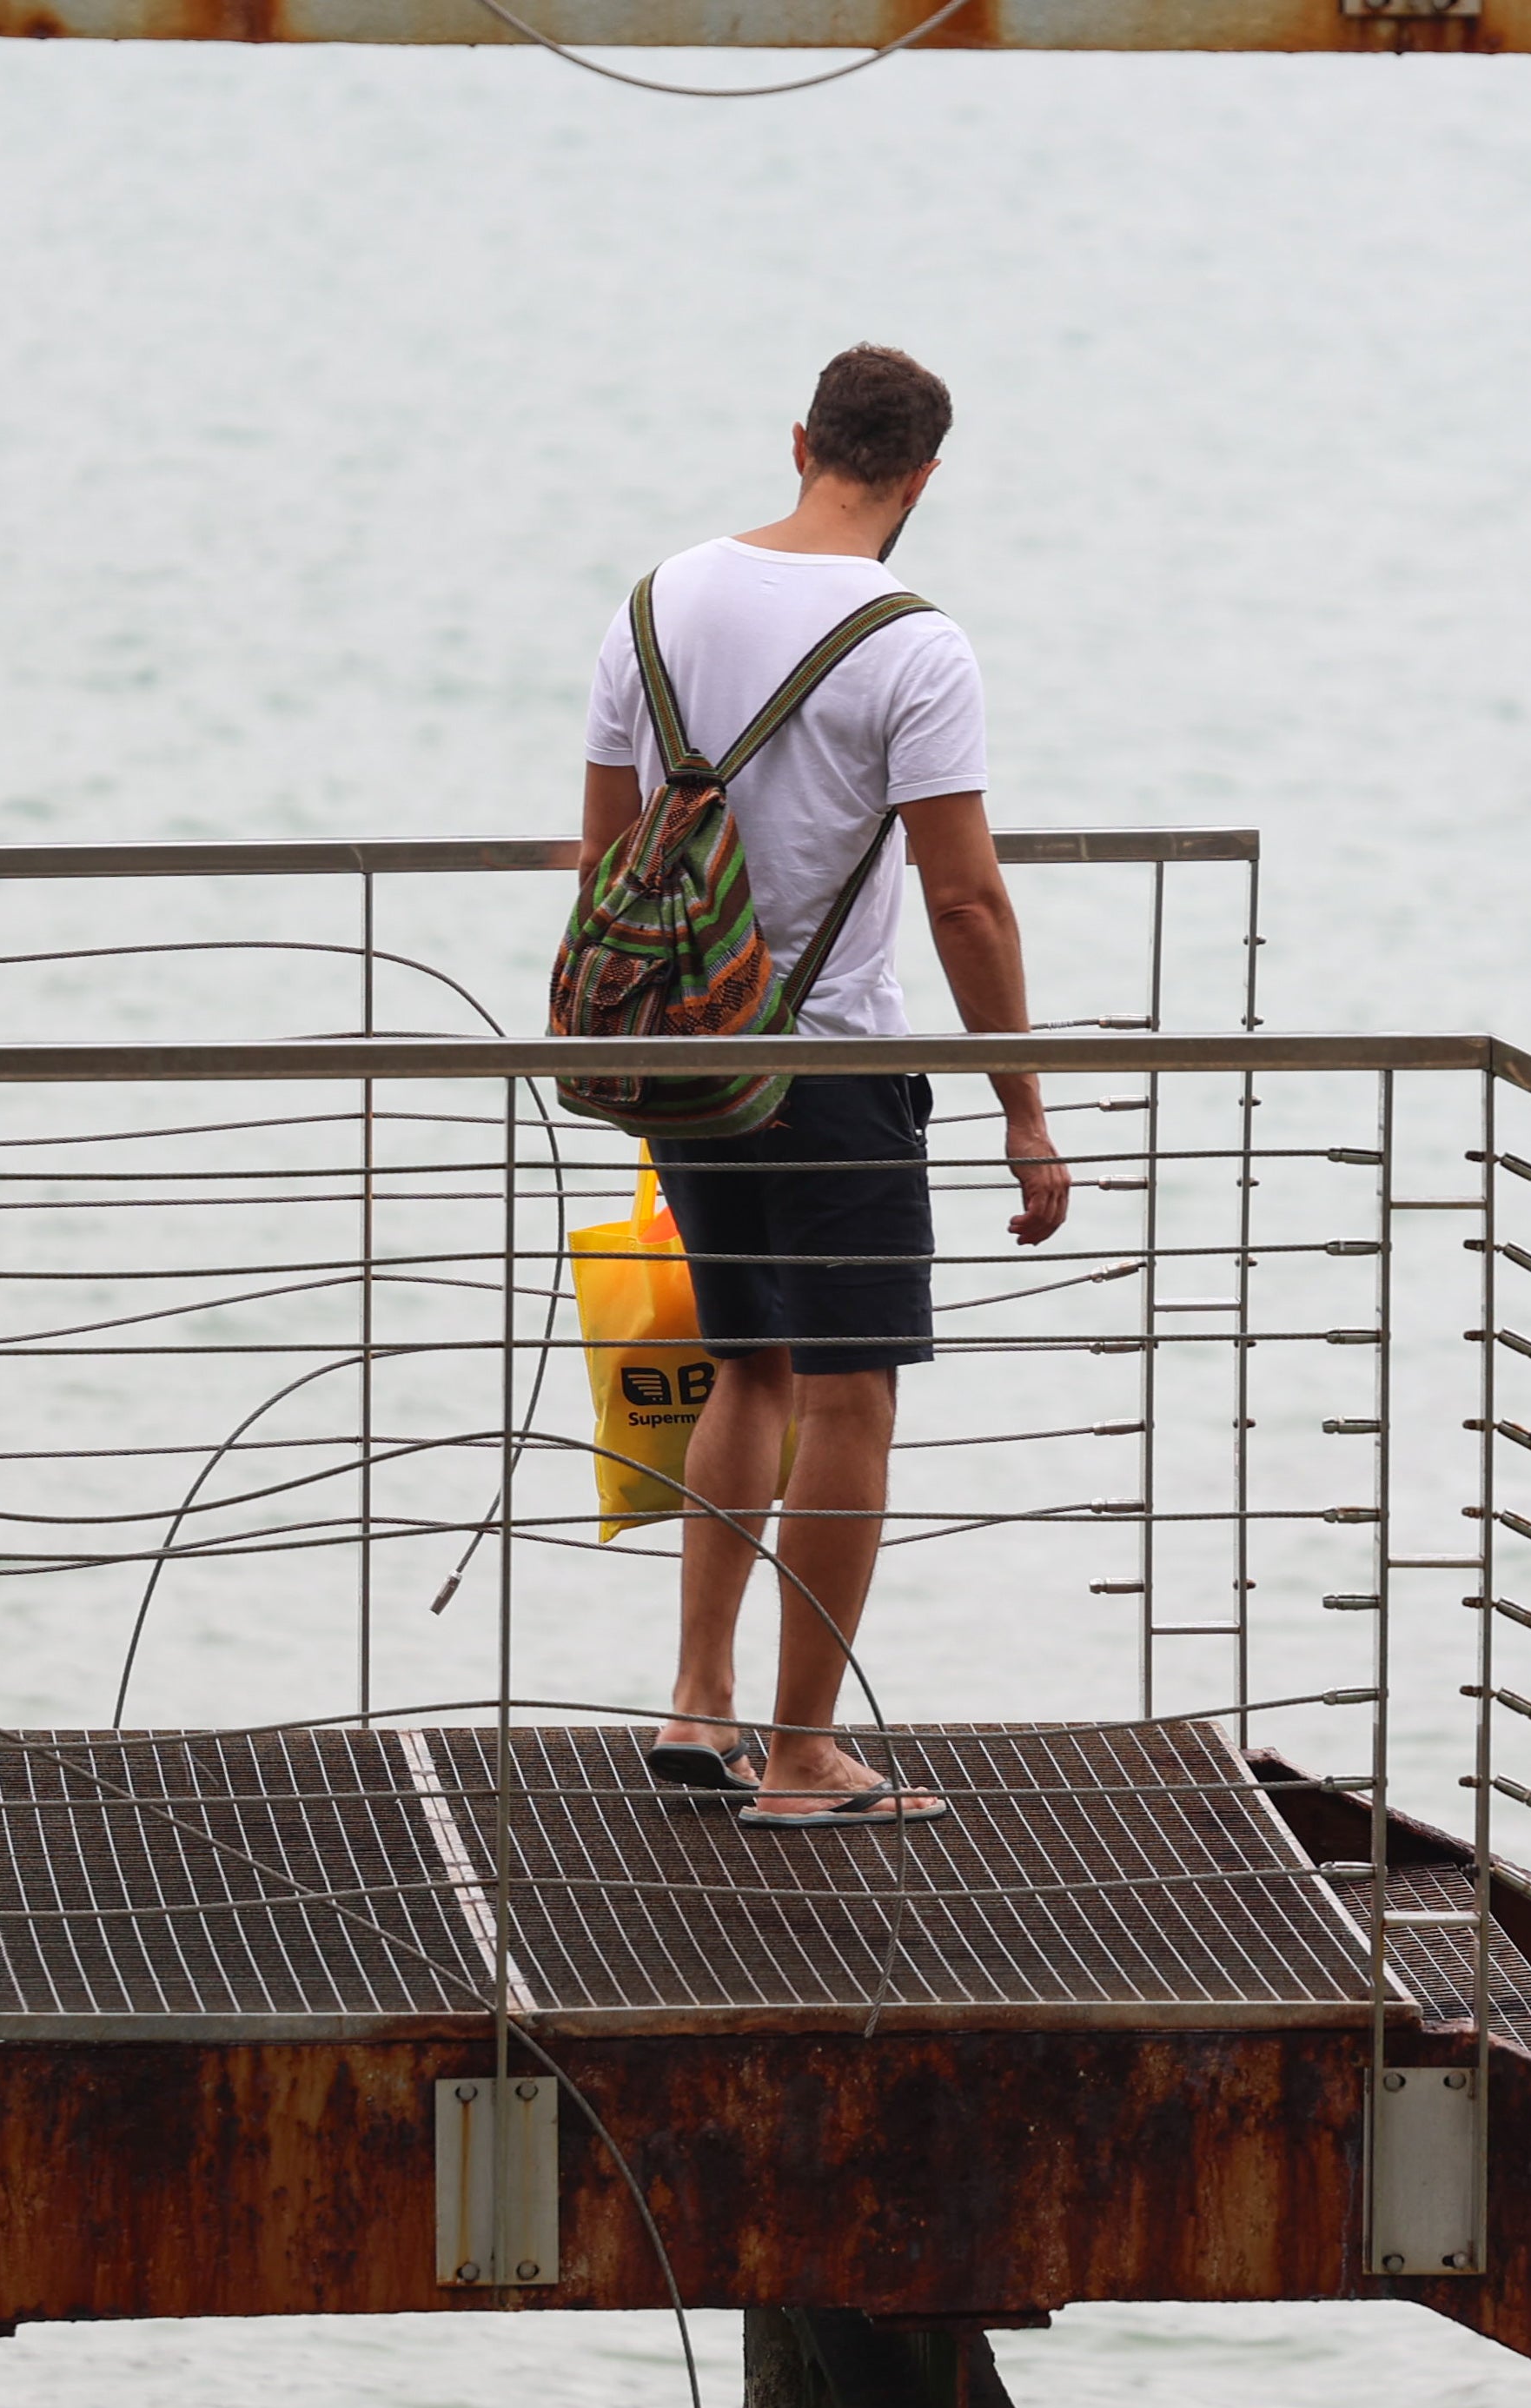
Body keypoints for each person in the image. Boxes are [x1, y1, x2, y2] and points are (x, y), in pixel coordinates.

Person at [570, 344, 1072, 1826]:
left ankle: (698, 1696)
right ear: (925, 475)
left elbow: (602, 851)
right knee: (850, 1392)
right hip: (836, 1059)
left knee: (747, 1361)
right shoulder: (915, 645)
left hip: (689, 1056)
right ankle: (801, 1754)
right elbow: (964, 899)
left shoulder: (657, 602)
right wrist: (1024, 1111)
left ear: (800, 440)